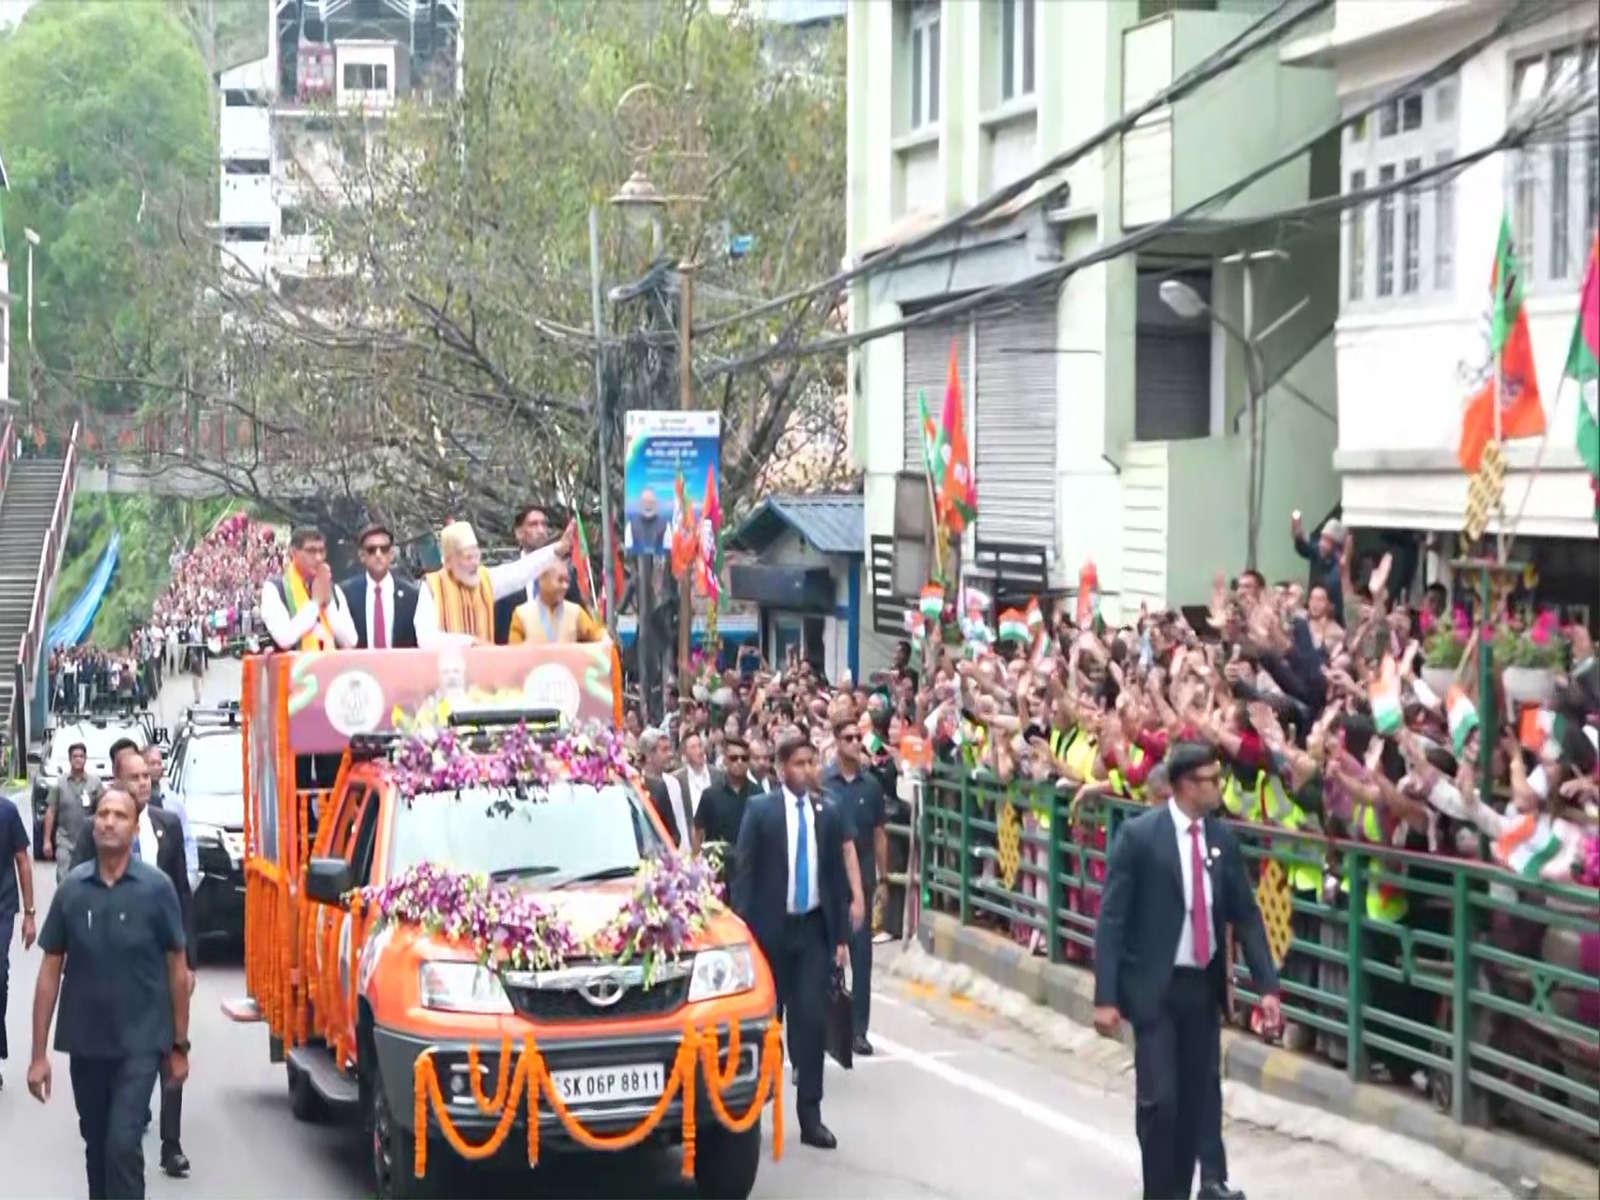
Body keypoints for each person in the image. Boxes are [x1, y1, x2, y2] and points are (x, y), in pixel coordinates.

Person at [1092, 741, 1281, 1200]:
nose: (1217, 788)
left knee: (1196, 1099)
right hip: (1154, 987)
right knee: (1161, 1101)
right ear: (1181, 786)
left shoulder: (1221, 840)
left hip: (1201, 987)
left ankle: (1188, 1187)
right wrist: (1107, 995)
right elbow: (1113, 919)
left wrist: (1268, 987)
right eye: (1208, 780)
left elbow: (1247, 916)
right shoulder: (1141, 838)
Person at [29, 784, 192, 1200]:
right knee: (98, 1145)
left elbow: (177, 968)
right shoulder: (73, 890)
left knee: (123, 1143)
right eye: (102, 814)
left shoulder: (157, 890)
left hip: (141, 1043)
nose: (108, 822)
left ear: (135, 828)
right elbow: (50, 970)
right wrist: (37, 1055)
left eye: (119, 816)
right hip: (86, 1043)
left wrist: (179, 1045)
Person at [71, 740, 199, 1181]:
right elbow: (79, 892)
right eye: (134, 777)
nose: (144, 783)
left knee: (170, 1044)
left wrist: (190, 962)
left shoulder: (167, 825)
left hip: (163, 962)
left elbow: (183, 894)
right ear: (117, 781)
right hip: (114, 978)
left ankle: (171, 1143)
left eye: (147, 776)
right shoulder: (99, 832)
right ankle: (128, 1111)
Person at [731, 729, 851, 1151]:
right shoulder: (760, 811)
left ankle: (810, 1115)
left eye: (811, 762)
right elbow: (743, 874)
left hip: (812, 930)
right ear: (783, 768)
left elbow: (834, 879)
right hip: (769, 932)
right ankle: (752, 1112)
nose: (807, 770)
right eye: (799, 764)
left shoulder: (828, 813)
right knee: (766, 1025)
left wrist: (840, 937)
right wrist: (742, 932)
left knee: (812, 1022)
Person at [821, 716, 888, 1057]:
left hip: (861, 871)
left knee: (862, 958)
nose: (853, 742)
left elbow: (879, 833)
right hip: (831, 875)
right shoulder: (824, 783)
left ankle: (859, 1030)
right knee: (829, 957)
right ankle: (831, 1028)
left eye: (856, 737)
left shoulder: (871, 786)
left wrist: (883, 877)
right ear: (835, 741)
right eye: (846, 737)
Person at [416, 519, 572, 648]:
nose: (474, 562)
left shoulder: (484, 580)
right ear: (450, 561)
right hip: (447, 676)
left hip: (484, 675)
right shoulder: (431, 586)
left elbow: (520, 571)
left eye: (475, 555)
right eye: (467, 557)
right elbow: (426, 638)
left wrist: (557, 549)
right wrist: (470, 642)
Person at [494, 505, 587, 642]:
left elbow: (580, 622)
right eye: (533, 525)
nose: (541, 530)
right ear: (519, 533)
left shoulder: (564, 575)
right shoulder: (507, 578)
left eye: (544, 525)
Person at [260, 526, 359, 653]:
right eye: (311, 551)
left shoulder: (334, 589)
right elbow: (284, 638)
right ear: (294, 553)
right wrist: (315, 603)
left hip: (331, 670)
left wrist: (328, 604)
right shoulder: (275, 589)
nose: (318, 558)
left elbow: (351, 641)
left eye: (321, 551)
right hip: (293, 671)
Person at [1, 781, 37, 1092]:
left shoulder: (7, 812)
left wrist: (29, 913)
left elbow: (23, 862)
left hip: (2, 906)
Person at [693, 733, 759, 886]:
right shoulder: (710, 794)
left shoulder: (758, 794)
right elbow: (697, 830)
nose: (739, 762)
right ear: (724, 760)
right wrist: (696, 865)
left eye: (744, 758)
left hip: (749, 871)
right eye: (734, 758)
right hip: (717, 872)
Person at [341, 522, 420, 649]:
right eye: (371, 550)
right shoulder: (346, 594)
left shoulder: (413, 595)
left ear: (392, 554)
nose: (378, 555)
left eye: (384, 549)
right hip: (360, 667)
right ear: (362, 556)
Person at [43, 742, 105, 883]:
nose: (78, 759)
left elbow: (103, 809)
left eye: (81, 756)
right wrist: (47, 840)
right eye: (75, 756)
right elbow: (51, 811)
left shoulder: (95, 783)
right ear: (70, 759)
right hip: (65, 840)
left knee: (88, 877)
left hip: (89, 839)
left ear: (85, 759)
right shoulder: (59, 784)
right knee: (64, 876)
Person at [506, 560, 605, 645]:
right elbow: (514, 653)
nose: (565, 586)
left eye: (567, 581)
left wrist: (605, 638)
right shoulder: (521, 614)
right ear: (543, 580)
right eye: (560, 580)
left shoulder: (576, 612)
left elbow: (599, 636)